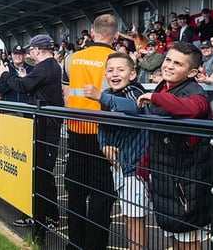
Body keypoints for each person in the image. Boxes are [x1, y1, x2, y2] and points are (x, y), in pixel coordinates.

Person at [115, 43, 211, 250]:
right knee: (174, 238)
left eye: (178, 63)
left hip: (187, 185)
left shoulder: (195, 91)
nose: (169, 66)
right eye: (168, 59)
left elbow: (195, 107)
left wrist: (156, 98)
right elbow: (157, 136)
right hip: (164, 181)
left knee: (187, 241)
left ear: (192, 72)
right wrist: (144, 166)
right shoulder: (163, 87)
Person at [0, 34, 64, 232]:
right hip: (43, 125)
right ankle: (41, 215)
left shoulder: (46, 66)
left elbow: (23, 86)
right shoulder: (49, 66)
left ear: (36, 50)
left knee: (43, 173)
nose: (29, 53)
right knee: (39, 172)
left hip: (46, 127)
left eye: (31, 50)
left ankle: (48, 217)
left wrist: (4, 73)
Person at [62, 14, 118, 250]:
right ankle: (96, 246)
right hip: (104, 134)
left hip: (76, 130)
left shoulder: (71, 58)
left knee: (75, 191)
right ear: (115, 37)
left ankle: (75, 243)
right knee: (102, 194)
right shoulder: (117, 60)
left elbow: (66, 96)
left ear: (92, 34)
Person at [83, 52, 149, 250]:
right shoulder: (110, 95)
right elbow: (102, 126)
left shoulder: (134, 91)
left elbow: (134, 107)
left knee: (134, 220)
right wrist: (104, 146)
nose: (115, 74)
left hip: (135, 170)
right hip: (120, 167)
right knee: (130, 218)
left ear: (132, 74)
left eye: (121, 69)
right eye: (110, 70)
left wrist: (100, 96)